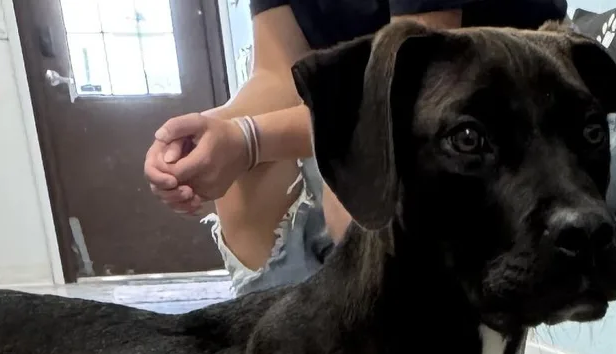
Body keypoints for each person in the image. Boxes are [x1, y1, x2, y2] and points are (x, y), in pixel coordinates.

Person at [144, 1, 568, 295]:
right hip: (380, 103)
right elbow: (277, 73)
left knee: (359, 190)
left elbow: (421, 83)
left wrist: (248, 138)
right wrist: (212, 136)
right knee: (248, 186)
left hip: (524, 125)